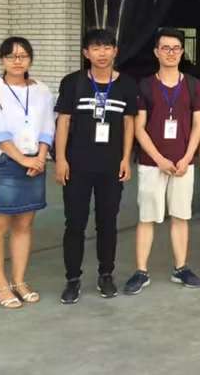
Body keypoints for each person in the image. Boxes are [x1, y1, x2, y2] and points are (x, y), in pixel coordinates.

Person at [55, 28, 139, 304]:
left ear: (115, 51)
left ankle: (106, 274)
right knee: (74, 223)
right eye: (95, 48)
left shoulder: (127, 84)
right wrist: (61, 159)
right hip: (77, 165)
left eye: (106, 47)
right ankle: (72, 279)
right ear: (86, 53)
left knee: (107, 222)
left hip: (111, 166)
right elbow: (63, 121)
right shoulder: (73, 82)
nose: (102, 53)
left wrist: (126, 158)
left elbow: (129, 123)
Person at [123, 28, 200, 295]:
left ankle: (181, 268)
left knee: (181, 216)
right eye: (165, 48)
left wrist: (187, 157)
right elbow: (139, 128)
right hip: (151, 163)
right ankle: (141, 271)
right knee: (147, 217)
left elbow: (198, 125)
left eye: (176, 48)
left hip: (183, 163)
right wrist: (159, 159)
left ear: (182, 52)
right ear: (156, 52)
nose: (171, 52)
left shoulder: (193, 85)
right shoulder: (145, 86)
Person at [0, 37, 54, 308]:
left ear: (31, 59)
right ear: (2, 60)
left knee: (24, 225)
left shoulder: (42, 91)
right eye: (11, 56)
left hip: (35, 162)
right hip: (5, 162)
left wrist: (40, 158)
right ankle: (1, 286)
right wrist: (23, 160)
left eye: (23, 56)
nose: (17, 61)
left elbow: (48, 127)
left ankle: (19, 281)